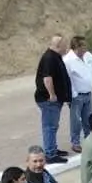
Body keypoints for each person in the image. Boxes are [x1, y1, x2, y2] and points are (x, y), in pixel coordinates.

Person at [33, 35, 72, 164]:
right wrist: (52, 95)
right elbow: (47, 78)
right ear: (58, 45)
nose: (66, 48)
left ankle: (52, 149)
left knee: (53, 126)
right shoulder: (49, 58)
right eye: (65, 45)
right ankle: (50, 153)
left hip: (53, 99)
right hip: (48, 99)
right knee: (50, 126)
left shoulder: (55, 56)